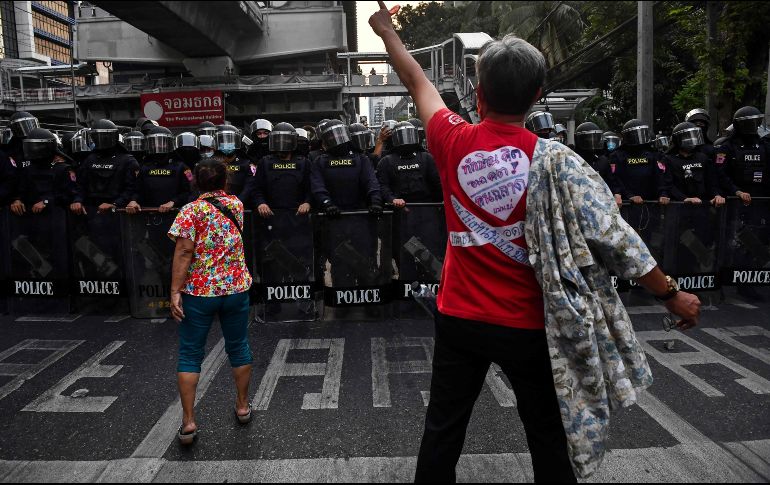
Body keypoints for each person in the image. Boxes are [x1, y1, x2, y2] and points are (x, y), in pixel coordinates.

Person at [368, 2, 700, 482]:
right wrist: (672, 295)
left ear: (478, 96)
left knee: (442, 432)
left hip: (460, 317)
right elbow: (618, 240)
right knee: (547, 435)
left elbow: (416, 80)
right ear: (538, 96)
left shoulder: (451, 140)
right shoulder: (560, 163)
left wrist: (386, 32)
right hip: (531, 324)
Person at [167, 158, 254, 445]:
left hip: (199, 293)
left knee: (191, 354)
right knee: (238, 347)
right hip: (235, 289)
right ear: (224, 181)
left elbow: (183, 253)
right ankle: (242, 406)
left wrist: (174, 291)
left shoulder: (190, 212)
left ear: (196, 183)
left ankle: (189, 422)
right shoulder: (236, 205)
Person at [74, 119, 138, 214]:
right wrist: (77, 200)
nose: (100, 140)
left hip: (117, 211)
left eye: (104, 137)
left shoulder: (128, 161)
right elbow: (81, 184)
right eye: (97, 137)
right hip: (91, 210)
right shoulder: (90, 159)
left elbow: (132, 188)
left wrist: (115, 204)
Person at [376, 121, 442, 208]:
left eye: (408, 134)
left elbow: (437, 183)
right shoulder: (386, 161)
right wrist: (392, 199)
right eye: (402, 135)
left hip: (426, 207)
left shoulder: (426, 158)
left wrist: (438, 203)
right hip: (399, 209)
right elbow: (383, 185)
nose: (406, 139)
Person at [127, 126, 191, 214]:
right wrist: (134, 200)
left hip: (175, 215)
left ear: (169, 144)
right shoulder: (144, 167)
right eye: (154, 143)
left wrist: (174, 202)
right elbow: (138, 190)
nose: (158, 145)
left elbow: (190, 191)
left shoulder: (183, 167)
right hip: (149, 215)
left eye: (162, 142)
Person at [611, 119, 669, 205]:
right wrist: (629, 196)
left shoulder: (653, 154)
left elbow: (660, 176)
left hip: (651, 203)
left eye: (641, 134)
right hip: (627, 203)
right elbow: (616, 179)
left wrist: (663, 194)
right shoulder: (618, 155)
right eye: (635, 135)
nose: (639, 138)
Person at [574, 122, 619, 204]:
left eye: (595, 138)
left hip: (601, 204)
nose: (592, 142)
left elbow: (611, 181)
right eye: (589, 139)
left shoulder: (603, 161)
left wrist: (617, 193)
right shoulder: (572, 160)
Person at [214, 124, 254, 202]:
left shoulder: (246, 164)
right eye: (223, 141)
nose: (226, 144)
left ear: (237, 142)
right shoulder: (211, 165)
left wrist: (237, 202)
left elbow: (249, 187)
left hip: (239, 205)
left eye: (230, 140)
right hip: (215, 207)